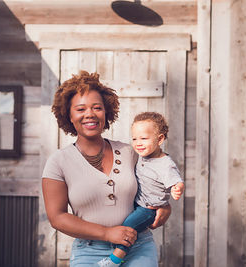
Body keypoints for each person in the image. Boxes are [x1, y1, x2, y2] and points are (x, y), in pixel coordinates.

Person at [41, 71, 172, 266]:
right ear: (68, 114)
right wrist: (106, 233)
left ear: (106, 112)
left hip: (138, 247)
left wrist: (165, 208)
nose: (90, 114)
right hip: (89, 252)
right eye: (80, 109)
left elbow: (156, 186)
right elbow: (57, 218)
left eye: (97, 108)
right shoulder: (58, 162)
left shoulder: (130, 152)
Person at [97, 112, 185, 267]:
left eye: (144, 138)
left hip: (148, 209)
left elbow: (176, 181)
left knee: (129, 226)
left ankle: (115, 260)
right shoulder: (141, 156)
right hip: (138, 203)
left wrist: (177, 189)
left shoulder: (165, 164)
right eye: (135, 138)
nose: (138, 143)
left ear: (160, 139)